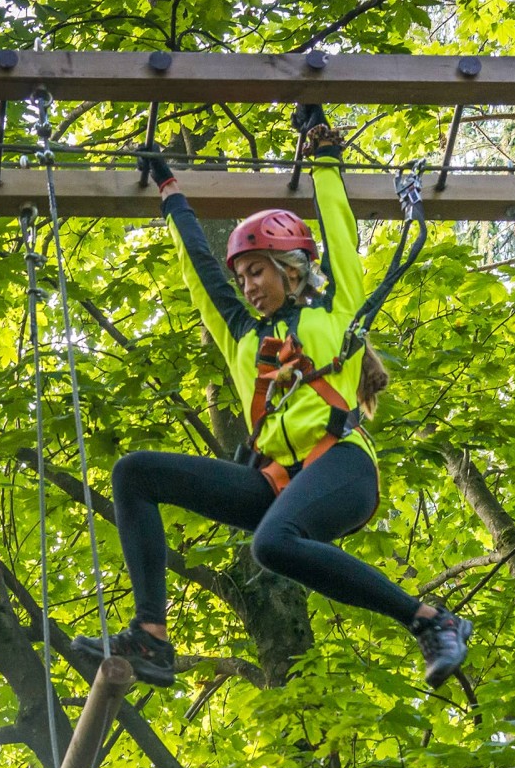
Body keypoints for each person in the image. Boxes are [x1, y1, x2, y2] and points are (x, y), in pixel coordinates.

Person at [72, 105, 471, 689]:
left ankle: (429, 619)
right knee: (134, 474)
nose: (247, 286)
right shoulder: (241, 336)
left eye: (257, 271)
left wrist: (324, 157)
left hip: (343, 465)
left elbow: (340, 236)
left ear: (292, 269)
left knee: (272, 545)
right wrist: (169, 191)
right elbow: (200, 270)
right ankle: (151, 637)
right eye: (243, 277)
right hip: (275, 480)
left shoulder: (335, 315)